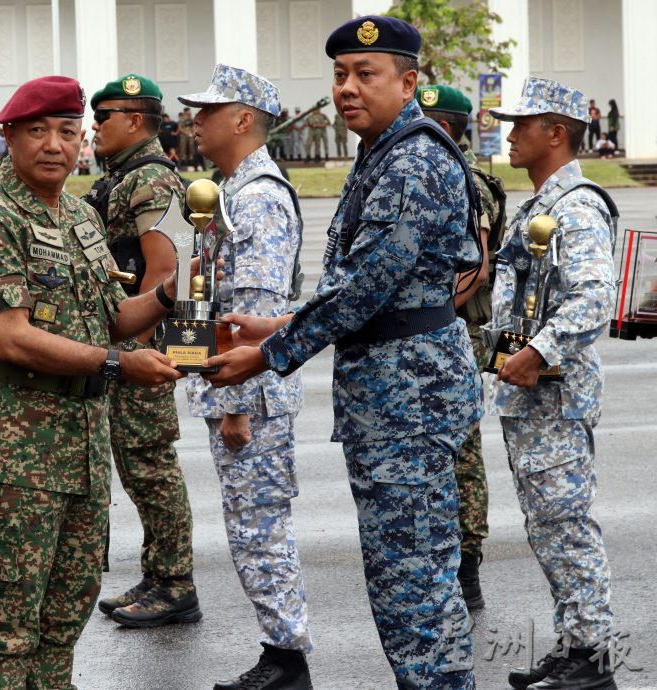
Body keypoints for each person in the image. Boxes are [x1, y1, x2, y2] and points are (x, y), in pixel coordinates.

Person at [203, 16, 483, 690]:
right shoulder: (384, 151)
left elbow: (366, 286)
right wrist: (277, 321)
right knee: (403, 579)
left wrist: (270, 352)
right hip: (393, 393)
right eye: (339, 75)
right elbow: (367, 284)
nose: (347, 88)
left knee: (414, 587)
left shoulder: (411, 158)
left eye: (366, 74)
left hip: (408, 400)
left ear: (409, 81)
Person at [0, 75, 184, 689]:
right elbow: (12, 337)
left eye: (68, 131)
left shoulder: (80, 214)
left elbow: (116, 316)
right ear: (9, 137)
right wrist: (116, 363)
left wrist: (173, 289)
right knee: (12, 617)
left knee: (68, 608)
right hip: (19, 444)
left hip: (83, 442)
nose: (56, 144)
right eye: (38, 131)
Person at [178, 63, 312, 690]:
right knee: (249, 528)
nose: (195, 122)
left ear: (243, 120)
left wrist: (233, 401)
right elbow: (211, 295)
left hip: (249, 399)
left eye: (208, 112)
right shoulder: (231, 190)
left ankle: (288, 658)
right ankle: (282, 651)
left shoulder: (256, 198)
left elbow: (251, 313)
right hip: (236, 389)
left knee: (260, 531)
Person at [487, 77, 618, 690]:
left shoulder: (578, 205)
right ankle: (575, 647)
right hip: (532, 394)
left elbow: (593, 297)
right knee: (548, 527)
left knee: (566, 525)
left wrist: (537, 351)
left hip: (554, 395)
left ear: (556, 133)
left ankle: (594, 657)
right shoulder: (543, 203)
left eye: (522, 125)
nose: (510, 134)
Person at [85, 73, 201, 629]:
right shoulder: (124, 177)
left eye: (103, 116)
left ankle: (176, 584)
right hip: (127, 341)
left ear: (134, 121)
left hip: (143, 346)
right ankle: (158, 573)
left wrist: (132, 352)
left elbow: (165, 271)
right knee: (138, 464)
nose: (93, 126)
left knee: (151, 465)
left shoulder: (151, 180)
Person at [417, 83, 508, 611]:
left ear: (444, 128)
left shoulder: (468, 180)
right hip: (428, 327)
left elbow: (475, 270)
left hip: (454, 329)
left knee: (461, 449)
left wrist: (427, 316)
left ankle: (467, 562)